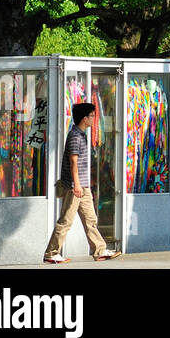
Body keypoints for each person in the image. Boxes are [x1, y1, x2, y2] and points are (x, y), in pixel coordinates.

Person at [44, 102, 120, 263]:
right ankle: (51, 253)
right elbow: (73, 162)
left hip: (83, 186)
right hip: (75, 186)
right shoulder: (75, 136)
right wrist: (77, 185)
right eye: (92, 116)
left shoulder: (81, 135)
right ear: (84, 118)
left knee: (90, 220)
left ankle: (99, 251)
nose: (94, 119)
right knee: (65, 220)